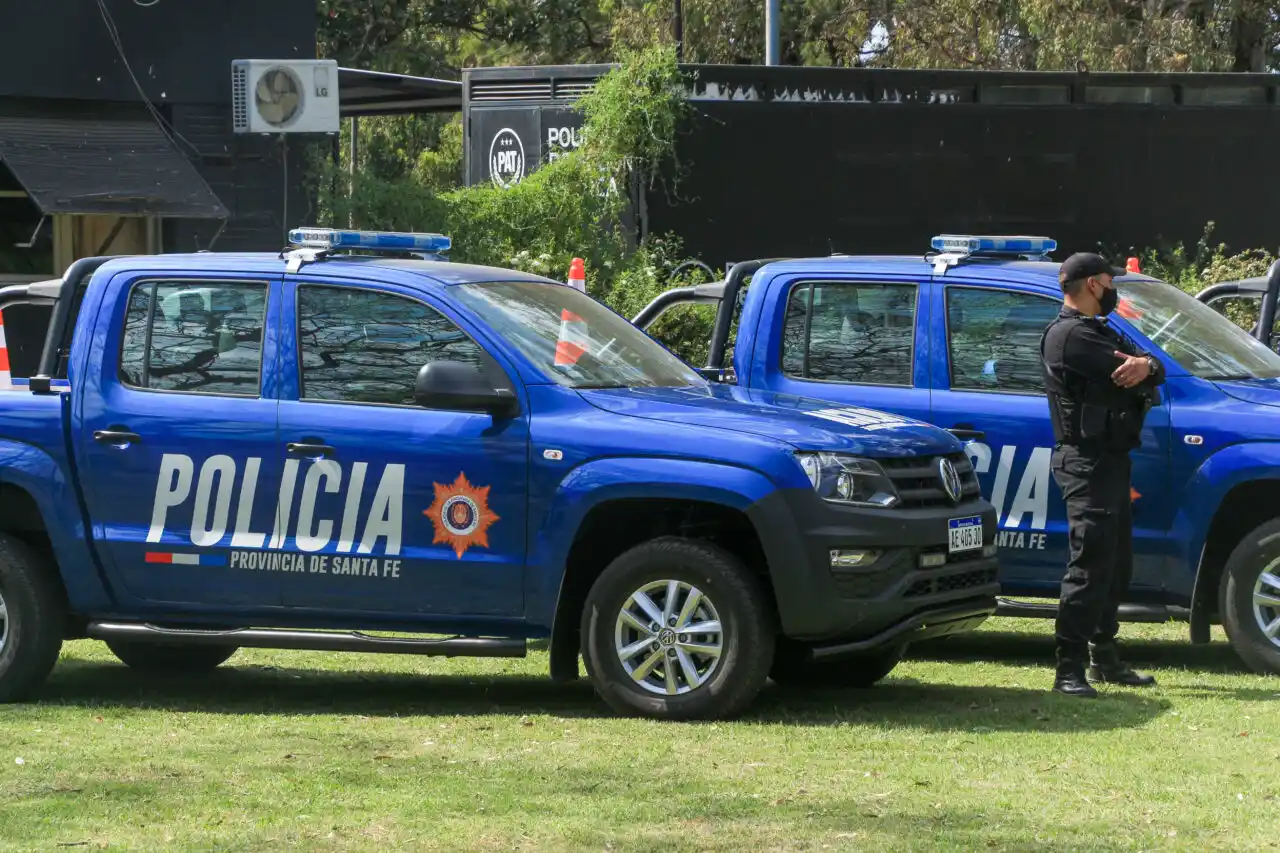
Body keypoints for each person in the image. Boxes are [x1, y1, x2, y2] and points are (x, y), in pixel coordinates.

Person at [1039, 252, 1166, 698]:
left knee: (1115, 564)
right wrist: (1144, 367)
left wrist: (1147, 366)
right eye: (1110, 281)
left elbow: (1153, 369)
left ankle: (1104, 657)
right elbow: (1128, 368)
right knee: (1089, 565)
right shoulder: (1072, 337)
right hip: (1086, 462)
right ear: (1094, 284)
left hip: (1110, 461)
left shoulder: (1099, 331)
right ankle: (1067, 668)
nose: (1114, 289)